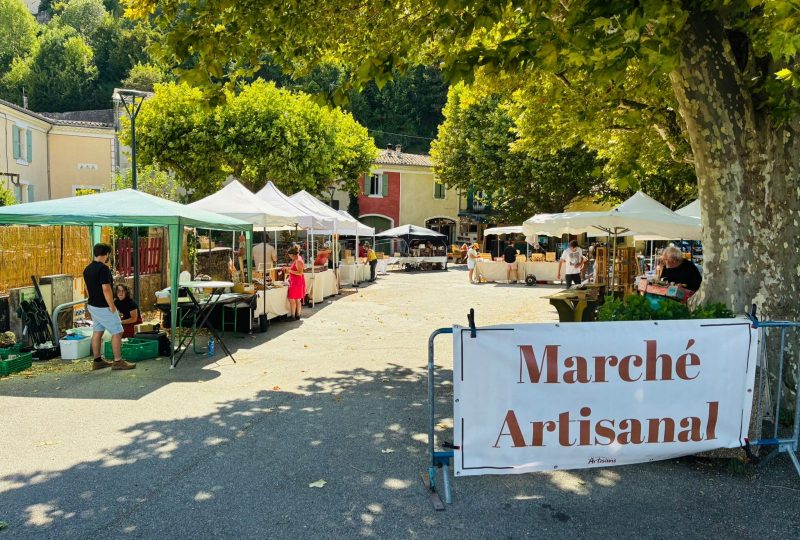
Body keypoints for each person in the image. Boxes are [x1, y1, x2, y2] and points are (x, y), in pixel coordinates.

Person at [83, 243, 135, 370]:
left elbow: (87, 288)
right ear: (106, 254)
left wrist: (92, 300)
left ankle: (97, 361)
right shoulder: (103, 269)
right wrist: (112, 305)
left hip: (93, 304)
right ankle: (118, 361)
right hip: (103, 306)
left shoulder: (87, 269)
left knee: (97, 331)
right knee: (118, 331)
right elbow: (106, 289)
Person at [286, 246, 306, 320]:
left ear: (292, 254)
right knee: (297, 299)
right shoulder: (298, 259)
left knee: (292, 299)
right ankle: (297, 315)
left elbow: (300, 273)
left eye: (289, 255)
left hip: (296, 282)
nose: (290, 257)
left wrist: (289, 271)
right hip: (297, 281)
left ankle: (293, 316)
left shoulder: (298, 260)